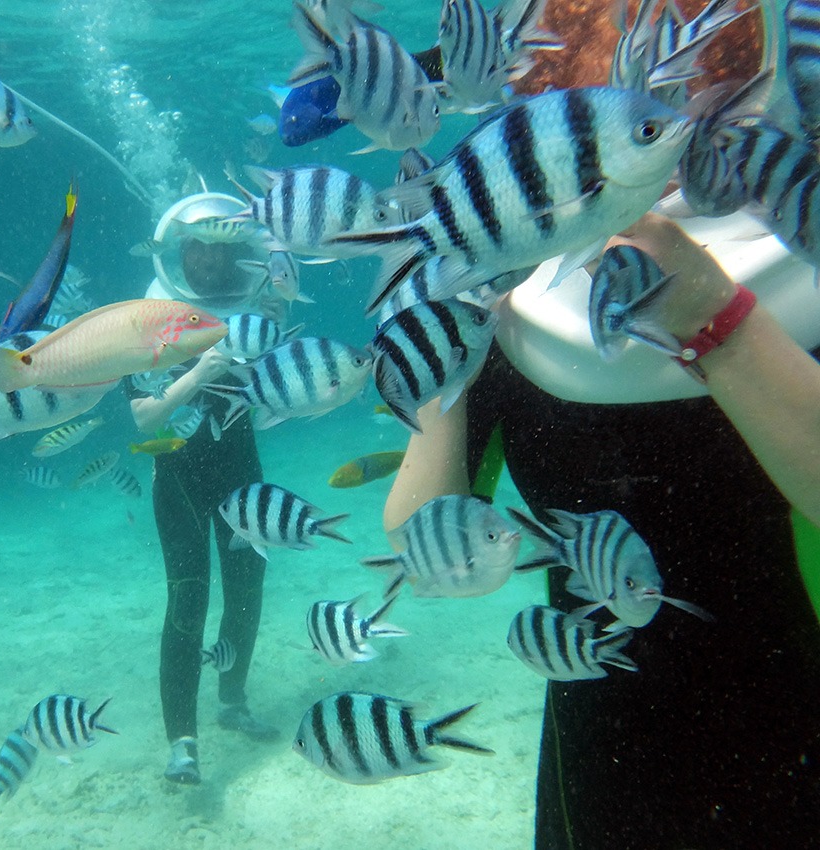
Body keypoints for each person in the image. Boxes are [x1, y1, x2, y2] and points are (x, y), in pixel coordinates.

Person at [379, 3, 820, 842]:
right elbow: (414, 530)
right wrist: (448, 329)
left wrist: (713, 319)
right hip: (605, 751)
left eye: (703, 131)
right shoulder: (520, 314)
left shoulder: (805, 253)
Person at [127, 192, 286, 785]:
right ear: (178, 251)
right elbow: (144, 419)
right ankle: (182, 743)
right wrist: (202, 369)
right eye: (196, 248)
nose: (208, 262)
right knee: (188, 600)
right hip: (179, 480)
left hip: (241, 468)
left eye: (222, 250)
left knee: (247, 586)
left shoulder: (255, 309)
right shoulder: (147, 317)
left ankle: (234, 701)